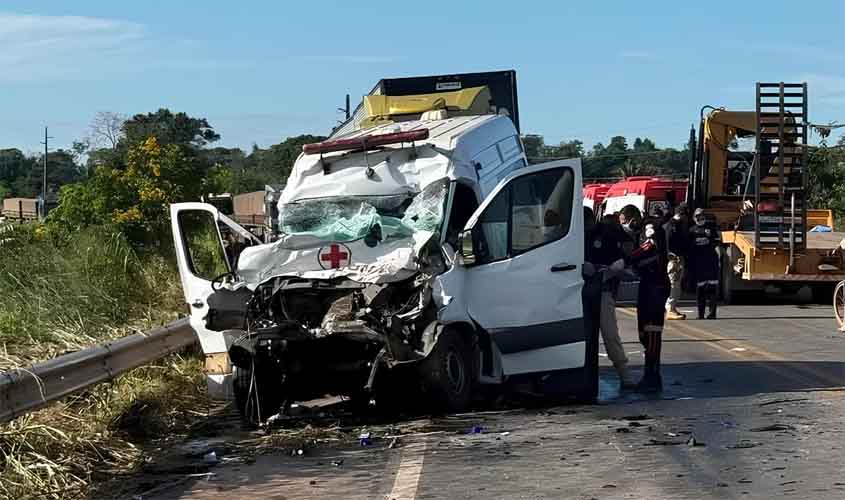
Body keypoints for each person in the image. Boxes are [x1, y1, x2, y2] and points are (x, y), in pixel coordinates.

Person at [583, 207, 635, 389]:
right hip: (581, 290)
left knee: (610, 334)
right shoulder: (576, 236)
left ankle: (624, 374)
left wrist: (615, 267)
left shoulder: (607, 233)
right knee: (587, 337)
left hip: (603, 287)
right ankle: (588, 376)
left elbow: (626, 255)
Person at [625, 217, 670, 392]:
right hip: (648, 285)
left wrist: (625, 260)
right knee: (645, 332)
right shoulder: (649, 234)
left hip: (655, 286)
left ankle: (652, 376)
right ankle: (650, 374)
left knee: (652, 333)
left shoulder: (651, 234)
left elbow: (646, 248)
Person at [688, 208, 720, 319]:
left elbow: (717, 242)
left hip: (711, 263)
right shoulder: (691, 230)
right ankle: (700, 314)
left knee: (712, 289)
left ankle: (712, 314)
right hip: (699, 264)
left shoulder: (711, 229)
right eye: (698, 217)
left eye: (702, 217)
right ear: (694, 218)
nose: (700, 219)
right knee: (700, 290)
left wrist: (709, 236)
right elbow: (689, 247)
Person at [664, 204, 690, 320]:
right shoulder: (672, 226)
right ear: (681, 214)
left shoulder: (676, 225)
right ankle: (670, 308)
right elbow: (668, 244)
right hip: (674, 260)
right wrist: (672, 256)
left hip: (677, 258)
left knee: (676, 285)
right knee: (674, 284)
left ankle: (672, 308)